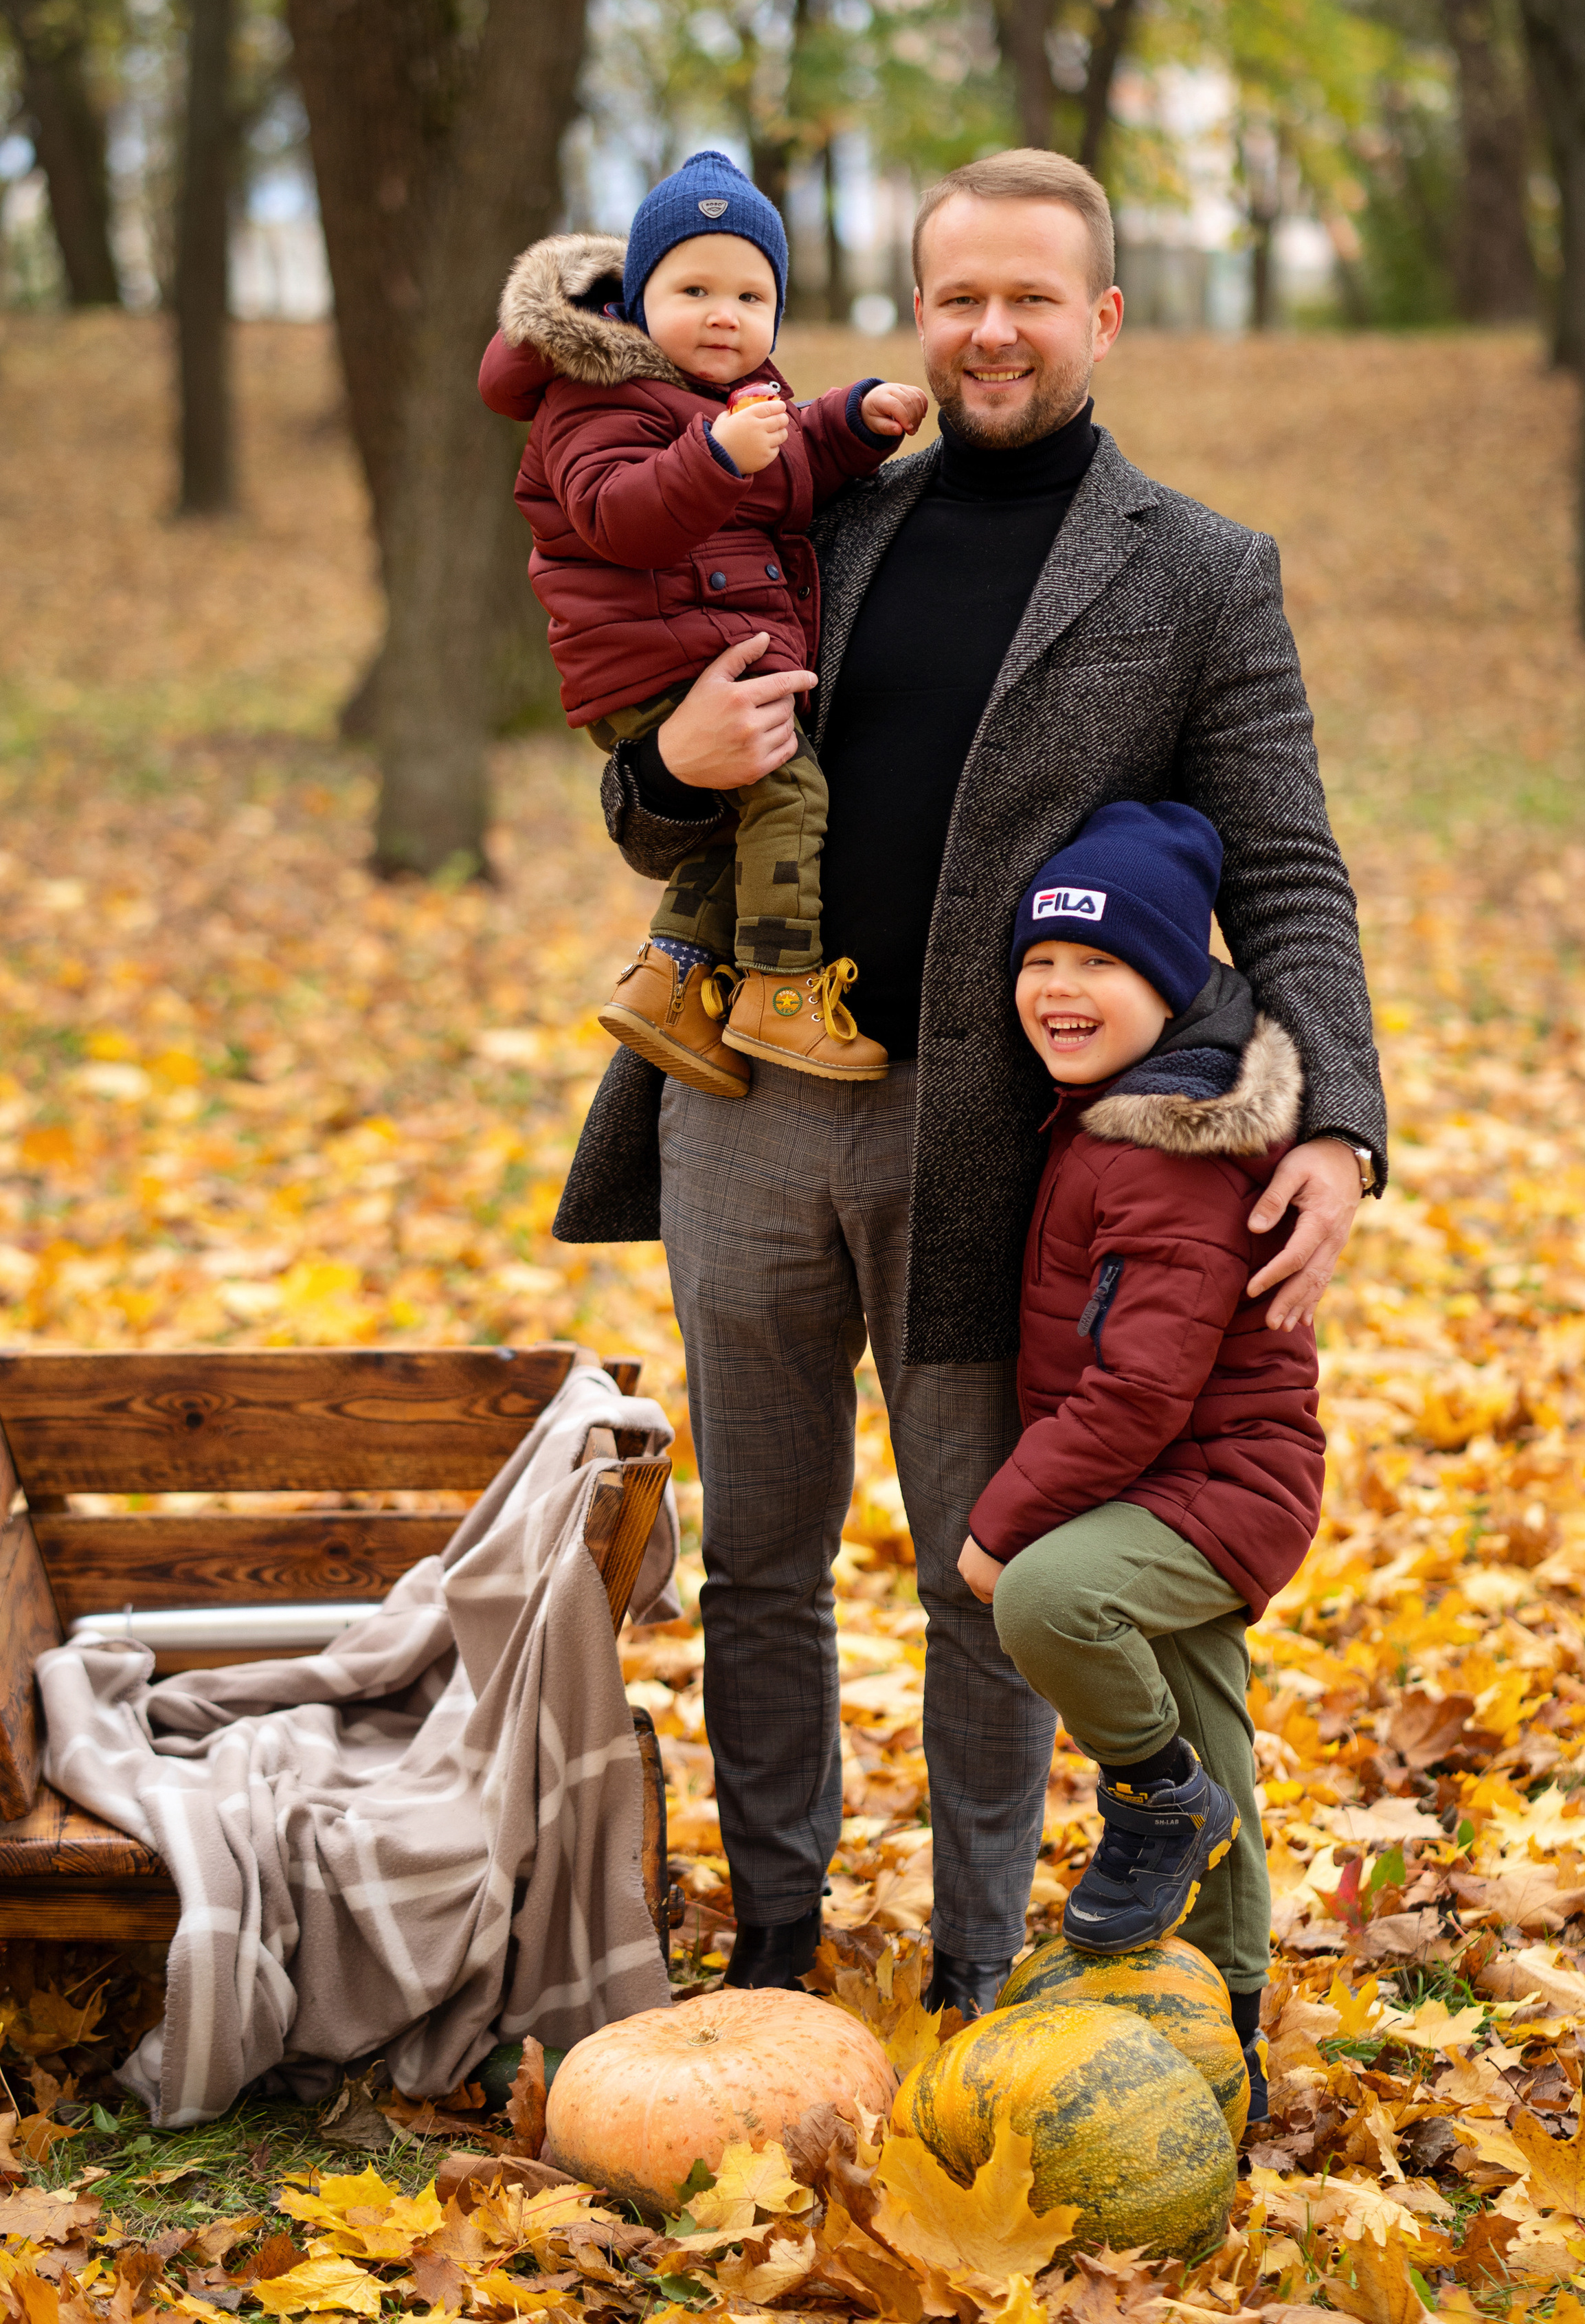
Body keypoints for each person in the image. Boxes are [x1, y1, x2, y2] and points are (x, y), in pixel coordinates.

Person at [554, 147, 1386, 2020]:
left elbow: (1290, 867)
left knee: (982, 1567)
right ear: (914, 312)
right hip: (748, 1107)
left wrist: (1336, 1114)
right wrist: (676, 761)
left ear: (1099, 313)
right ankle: (773, 1945)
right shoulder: (817, 520)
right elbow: (644, 797)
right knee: (759, 1560)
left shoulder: (1200, 576)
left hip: (999, 1149)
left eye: (1030, 297)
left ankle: (976, 1964)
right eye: (957, 297)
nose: (990, 330)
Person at [956, 798, 1325, 2121]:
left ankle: (1155, 1799)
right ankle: (1227, 2035)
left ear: (1170, 981)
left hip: (1218, 1480)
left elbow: (1146, 1386)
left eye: (1101, 964)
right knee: (1212, 1727)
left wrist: (1001, 1526)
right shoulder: (1122, 1102)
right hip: (1178, 1470)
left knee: (1049, 1594)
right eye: (1041, 961)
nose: (1060, 989)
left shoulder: (1169, 1151)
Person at [478, 148, 928, 1089]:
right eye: (694, 288)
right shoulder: (594, 397)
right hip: (649, 657)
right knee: (791, 797)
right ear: (638, 298)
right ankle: (778, 988)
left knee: (743, 824)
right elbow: (617, 516)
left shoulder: (732, 400)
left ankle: (668, 988)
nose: (725, 315)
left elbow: (794, 457)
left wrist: (851, 419)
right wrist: (716, 458)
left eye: (752, 298)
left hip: (692, 644)